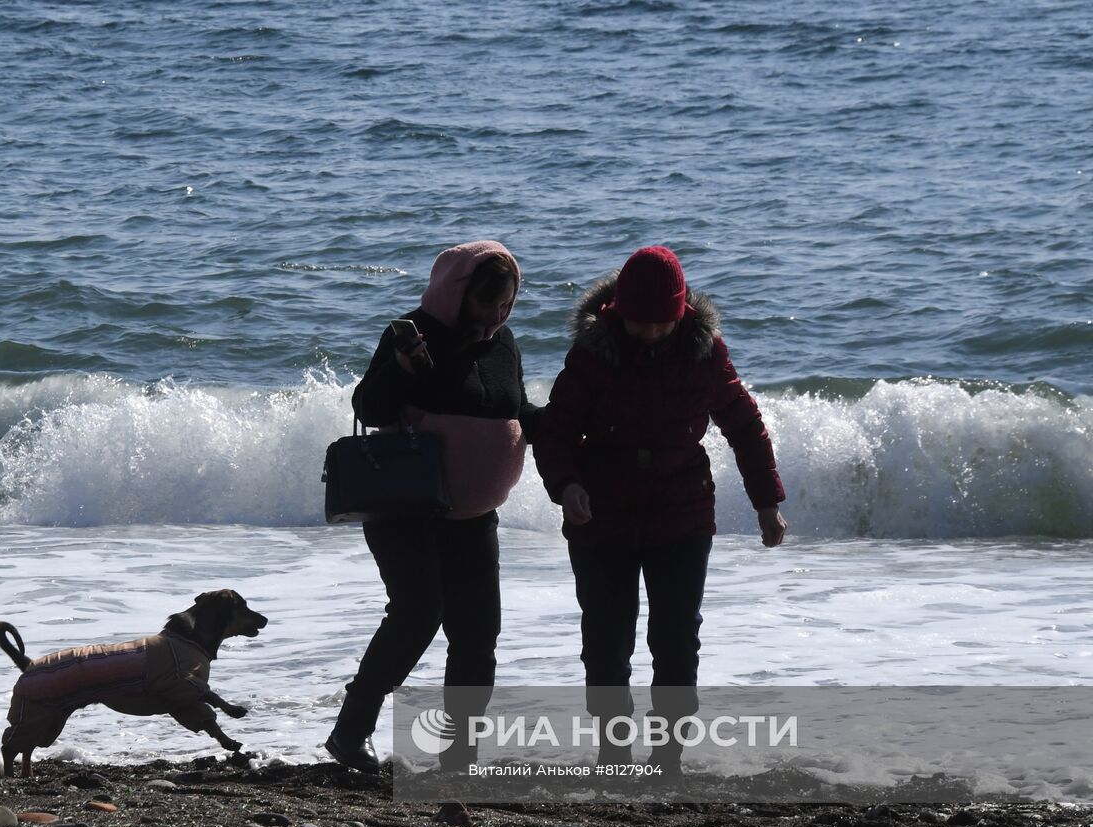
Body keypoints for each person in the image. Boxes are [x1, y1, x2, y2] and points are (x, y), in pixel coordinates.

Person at [533, 245, 786, 776]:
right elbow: (555, 431)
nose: (648, 333)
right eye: (637, 323)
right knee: (606, 639)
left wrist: (767, 503)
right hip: (603, 512)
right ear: (617, 311)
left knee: (675, 638)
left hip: (682, 511)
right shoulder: (593, 351)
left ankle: (668, 756)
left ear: (680, 314)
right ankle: (613, 753)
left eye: (660, 324)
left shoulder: (704, 350)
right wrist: (567, 486)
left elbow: (744, 424)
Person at [325, 240, 540, 774]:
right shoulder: (415, 334)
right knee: (418, 615)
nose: (495, 316)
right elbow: (368, 408)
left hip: (473, 516)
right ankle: (351, 733)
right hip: (408, 509)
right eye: (486, 304)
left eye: (506, 305)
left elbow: (516, 410)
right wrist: (400, 369)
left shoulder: (503, 343)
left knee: (478, 632)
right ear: (456, 294)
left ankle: (459, 753)